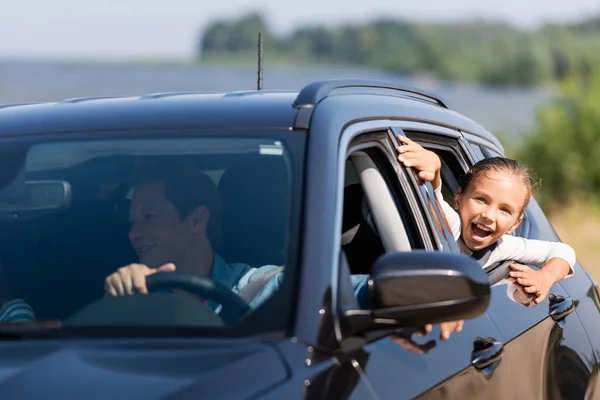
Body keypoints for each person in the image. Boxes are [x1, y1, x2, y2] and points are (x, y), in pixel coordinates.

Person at [103, 166, 371, 316]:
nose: (134, 233)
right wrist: (115, 297)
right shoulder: (133, 297)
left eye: (150, 217)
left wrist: (394, 289)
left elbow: (356, 291)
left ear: (197, 219)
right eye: (132, 221)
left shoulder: (268, 288)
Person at [396, 137, 576, 305]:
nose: (489, 215)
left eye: (504, 210)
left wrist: (544, 277)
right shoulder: (453, 226)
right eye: (481, 200)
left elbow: (563, 251)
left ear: (515, 224)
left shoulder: (503, 246)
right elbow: (435, 206)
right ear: (459, 198)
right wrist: (435, 173)